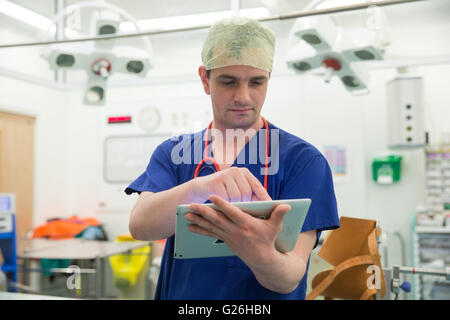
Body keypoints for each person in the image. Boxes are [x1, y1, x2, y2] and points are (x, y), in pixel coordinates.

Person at [126, 17, 339, 300]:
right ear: (205, 79)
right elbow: (140, 226)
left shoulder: (303, 161)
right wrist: (199, 188)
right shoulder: (174, 154)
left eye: (256, 82)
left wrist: (258, 252)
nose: (243, 96)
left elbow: (289, 278)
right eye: (229, 82)